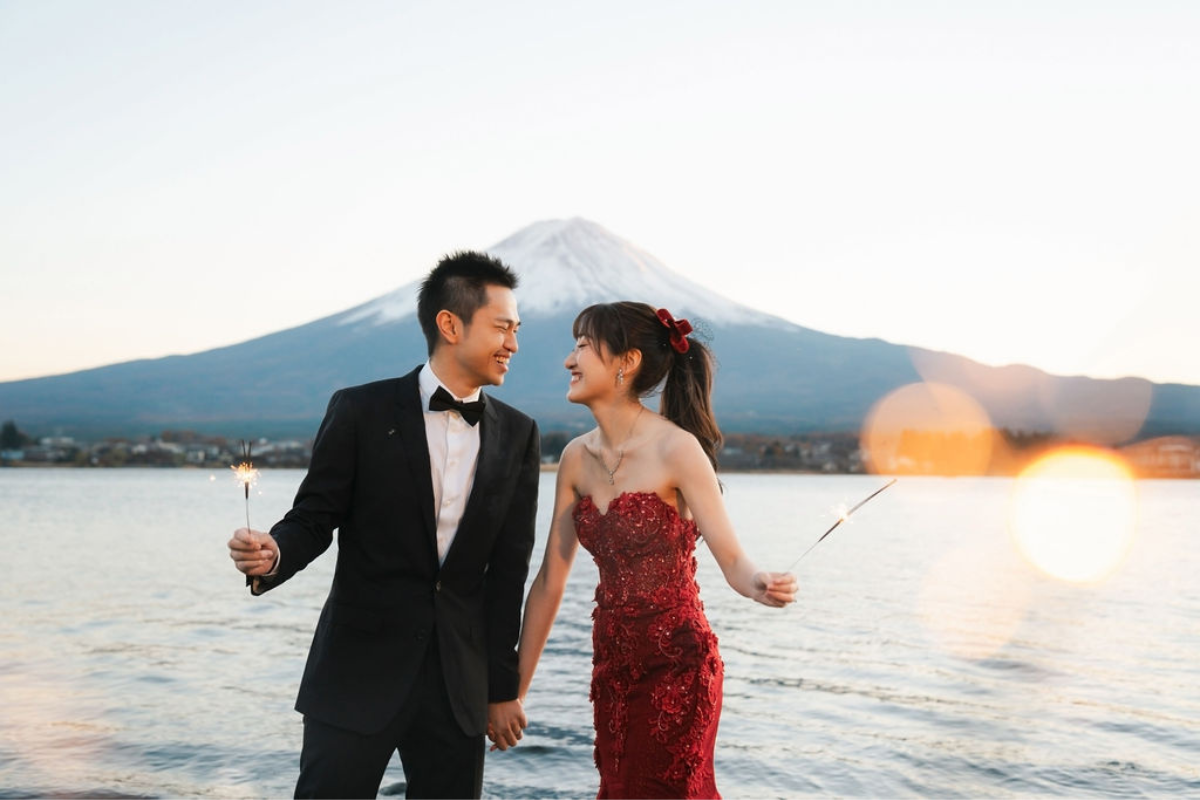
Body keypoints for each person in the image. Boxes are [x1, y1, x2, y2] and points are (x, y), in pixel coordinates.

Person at [226, 251, 540, 799]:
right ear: (450, 324)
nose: (514, 343)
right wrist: (275, 553)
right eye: (502, 327)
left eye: (516, 329)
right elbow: (315, 517)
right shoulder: (359, 411)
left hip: (457, 687)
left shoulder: (519, 433)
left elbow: (508, 574)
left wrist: (501, 689)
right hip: (355, 674)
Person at [513, 302, 798, 799]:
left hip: (678, 666)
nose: (568, 360)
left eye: (582, 346)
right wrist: (515, 691)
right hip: (612, 667)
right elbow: (549, 582)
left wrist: (759, 584)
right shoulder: (576, 458)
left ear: (626, 362)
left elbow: (733, 560)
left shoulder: (677, 449)